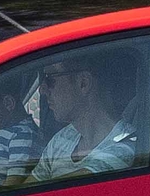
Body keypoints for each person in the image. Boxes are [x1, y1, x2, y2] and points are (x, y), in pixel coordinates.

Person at [31, 48, 142, 181]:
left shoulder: (124, 148)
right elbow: (23, 193)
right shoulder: (63, 138)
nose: (42, 90)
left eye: (49, 80)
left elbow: (60, 195)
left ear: (83, 83)